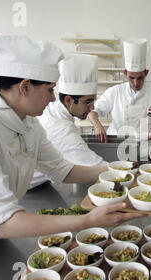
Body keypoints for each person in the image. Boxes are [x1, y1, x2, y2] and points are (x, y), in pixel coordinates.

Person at [0, 36, 143, 278]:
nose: (53, 98)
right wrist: (88, 220)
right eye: (50, 89)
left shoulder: (30, 125)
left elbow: (64, 170)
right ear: (25, 87)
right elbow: (2, 222)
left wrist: (124, 172)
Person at [30, 54, 106, 188]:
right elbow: (92, 165)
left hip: (42, 183)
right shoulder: (59, 126)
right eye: (88, 102)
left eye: (93, 101)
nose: (92, 107)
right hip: (29, 191)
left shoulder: (54, 110)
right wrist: (128, 172)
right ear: (69, 100)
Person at [88, 38, 151, 142]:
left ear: (146, 73)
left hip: (143, 143)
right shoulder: (115, 92)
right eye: (131, 78)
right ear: (125, 74)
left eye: (140, 78)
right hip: (116, 142)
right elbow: (91, 111)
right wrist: (97, 125)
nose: (136, 83)